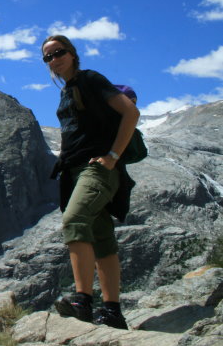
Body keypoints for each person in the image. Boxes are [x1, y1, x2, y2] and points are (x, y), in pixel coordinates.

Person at [41, 35, 140, 330]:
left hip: (95, 169)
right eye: (47, 57)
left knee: (74, 221)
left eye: (58, 53)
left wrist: (112, 156)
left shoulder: (90, 79)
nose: (54, 59)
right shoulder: (68, 90)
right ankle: (112, 311)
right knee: (102, 240)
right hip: (75, 172)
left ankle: (82, 301)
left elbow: (130, 112)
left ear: (72, 53)